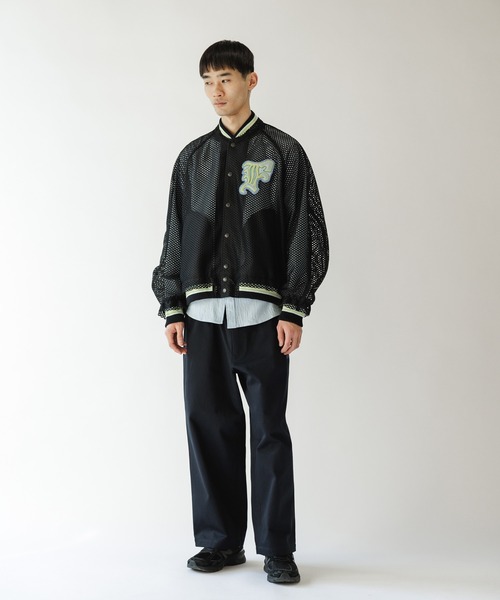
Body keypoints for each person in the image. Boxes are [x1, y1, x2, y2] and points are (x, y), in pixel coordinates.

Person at [152, 40, 329, 585]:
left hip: (263, 316)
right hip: (202, 317)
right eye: (207, 82)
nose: (216, 91)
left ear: (251, 80)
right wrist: (173, 307)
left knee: (269, 432)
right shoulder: (192, 159)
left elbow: (305, 232)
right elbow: (176, 235)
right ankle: (220, 541)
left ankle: (277, 549)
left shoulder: (284, 153)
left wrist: (293, 307)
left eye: (225, 79)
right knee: (208, 427)